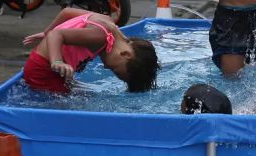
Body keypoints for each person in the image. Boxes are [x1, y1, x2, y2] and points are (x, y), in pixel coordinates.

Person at [22, 8, 160, 93]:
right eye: (113, 69)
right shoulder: (100, 36)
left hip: (50, 68)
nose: (106, 66)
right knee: (69, 104)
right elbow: (56, 35)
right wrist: (57, 60)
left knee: (80, 91)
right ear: (125, 54)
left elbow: (66, 12)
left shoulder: (107, 21)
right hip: (42, 70)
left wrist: (47, 32)